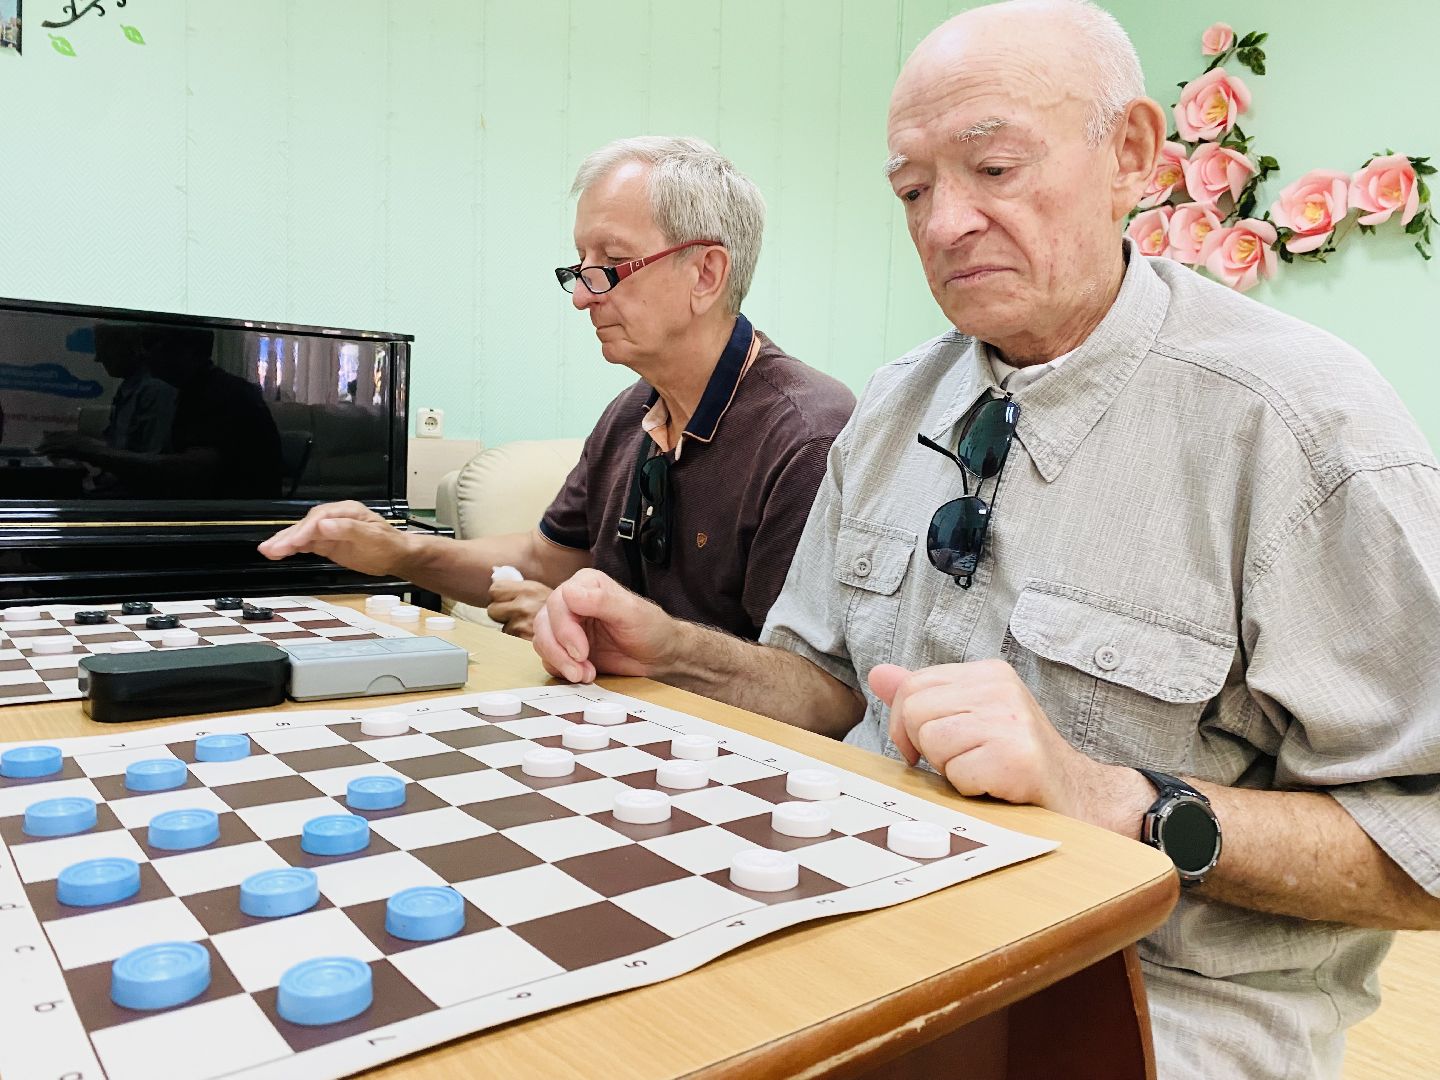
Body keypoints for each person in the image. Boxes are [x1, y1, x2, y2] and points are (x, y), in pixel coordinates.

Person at [528, 4, 1440, 1077]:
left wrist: (1117, 800)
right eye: (912, 192)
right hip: (865, 933)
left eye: (995, 168)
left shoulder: (1302, 427)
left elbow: (1419, 847)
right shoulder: (891, 404)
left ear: (1132, 157)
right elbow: (825, 687)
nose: (944, 223)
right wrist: (672, 649)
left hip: (1145, 1004)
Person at [260, 137, 854, 641]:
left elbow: (803, 688)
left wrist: (613, 639)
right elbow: (547, 560)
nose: (582, 295)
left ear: (706, 273)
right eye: (579, 265)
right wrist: (398, 551)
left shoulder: (805, 439)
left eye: (612, 264)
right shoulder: (631, 414)